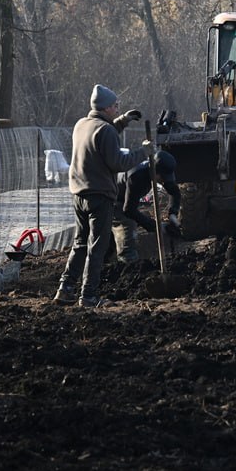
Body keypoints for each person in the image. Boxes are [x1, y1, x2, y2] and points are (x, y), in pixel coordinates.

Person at [54, 84, 151, 308]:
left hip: (78, 194)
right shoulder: (105, 131)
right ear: (107, 108)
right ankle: (88, 296)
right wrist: (143, 152)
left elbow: (101, 136)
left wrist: (124, 121)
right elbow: (118, 162)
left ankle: (65, 288)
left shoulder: (81, 125)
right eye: (116, 106)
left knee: (80, 243)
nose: (118, 108)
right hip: (100, 196)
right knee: (97, 247)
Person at [112, 150, 182, 264]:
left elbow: (174, 192)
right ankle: (129, 266)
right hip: (114, 201)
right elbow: (128, 210)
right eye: (162, 177)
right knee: (127, 229)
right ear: (154, 171)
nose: (164, 180)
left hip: (128, 202)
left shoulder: (162, 172)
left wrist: (173, 213)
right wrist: (156, 227)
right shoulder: (136, 177)